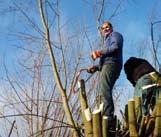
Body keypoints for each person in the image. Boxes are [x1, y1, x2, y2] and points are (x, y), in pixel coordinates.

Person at [87, 21, 123, 129]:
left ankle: (109, 119)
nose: (105, 29)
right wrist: (96, 68)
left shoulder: (115, 35)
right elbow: (105, 60)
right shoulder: (106, 41)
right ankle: (106, 117)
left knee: (105, 90)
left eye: (107, 27)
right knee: (104, 91)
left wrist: (98, 52)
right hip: (108, 65)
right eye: (103, 28)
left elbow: (115, 47)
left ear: (111, 28)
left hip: (111, 65)